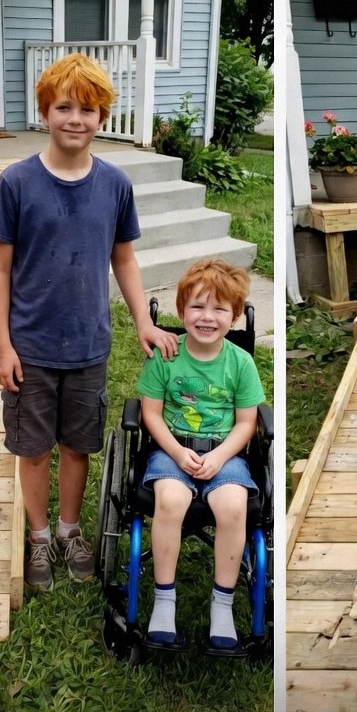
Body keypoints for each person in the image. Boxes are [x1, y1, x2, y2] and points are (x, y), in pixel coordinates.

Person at [0, 52, 177, 591]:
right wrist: (3, 345)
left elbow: (124, 258)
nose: (76, 118)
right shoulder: (18, 182)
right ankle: (39, 535)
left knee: (78, 446)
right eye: (64, 106)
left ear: (103, 117)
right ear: (45, 111)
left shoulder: (115, 184)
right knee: (33, 447)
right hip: (31, 346)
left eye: (88, 109)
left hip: (89, 346)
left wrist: (143, 320)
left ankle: (70, 529)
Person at [137, 259, 265, 649]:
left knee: (233, 507)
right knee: (171, 500)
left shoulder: (240, 363)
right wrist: (176, 452)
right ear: (181, 312)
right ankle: (164, 598)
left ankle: (222, 603)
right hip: (171, 451)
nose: (207, 318)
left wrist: (222, 456)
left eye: (219, 309)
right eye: (197, 307)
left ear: (235, 315)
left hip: (224, 456)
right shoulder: (166, 356)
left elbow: (246, 422)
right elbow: (150, 413)